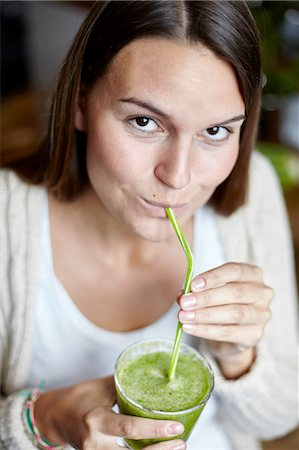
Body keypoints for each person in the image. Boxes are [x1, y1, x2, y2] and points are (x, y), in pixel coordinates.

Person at [0, 1, 298, 449]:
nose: (179, 177)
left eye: (215, 132)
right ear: (81, 100)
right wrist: (44, 419)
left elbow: (277, 419)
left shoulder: (252, 191)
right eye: (144, 122)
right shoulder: (7, 218)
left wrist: (240, 358)